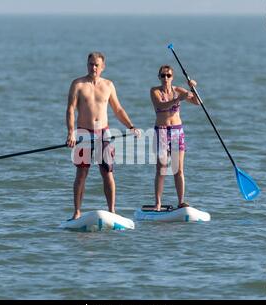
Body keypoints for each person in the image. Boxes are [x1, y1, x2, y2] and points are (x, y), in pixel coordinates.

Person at [66, 52, 141, 220]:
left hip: (103, 133)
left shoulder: (108, 85)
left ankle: (112, 211)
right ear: (87, 65)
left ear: (102, 67)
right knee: (81, 174)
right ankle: (77, 212)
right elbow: (70, 109)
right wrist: (70, 133)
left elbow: (118, 109)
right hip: (83, 134)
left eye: (96, 65)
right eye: (90, 64)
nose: (93, 67)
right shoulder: (77, 84)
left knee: (107, 173)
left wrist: (130, 126)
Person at [150, 64, 200, 211]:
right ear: (159, 77)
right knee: (162, 169)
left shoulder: (178, 90)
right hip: (162, 131)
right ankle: (158, 204)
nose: (165, 78)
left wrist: (192, 88)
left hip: (177, 131)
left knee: (178, 169)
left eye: (168, 75)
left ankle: (181, 201)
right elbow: (161, 106)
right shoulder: (155, 91)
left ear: (172, 77)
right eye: (163, 75)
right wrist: (179, 99)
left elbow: (198, 102)